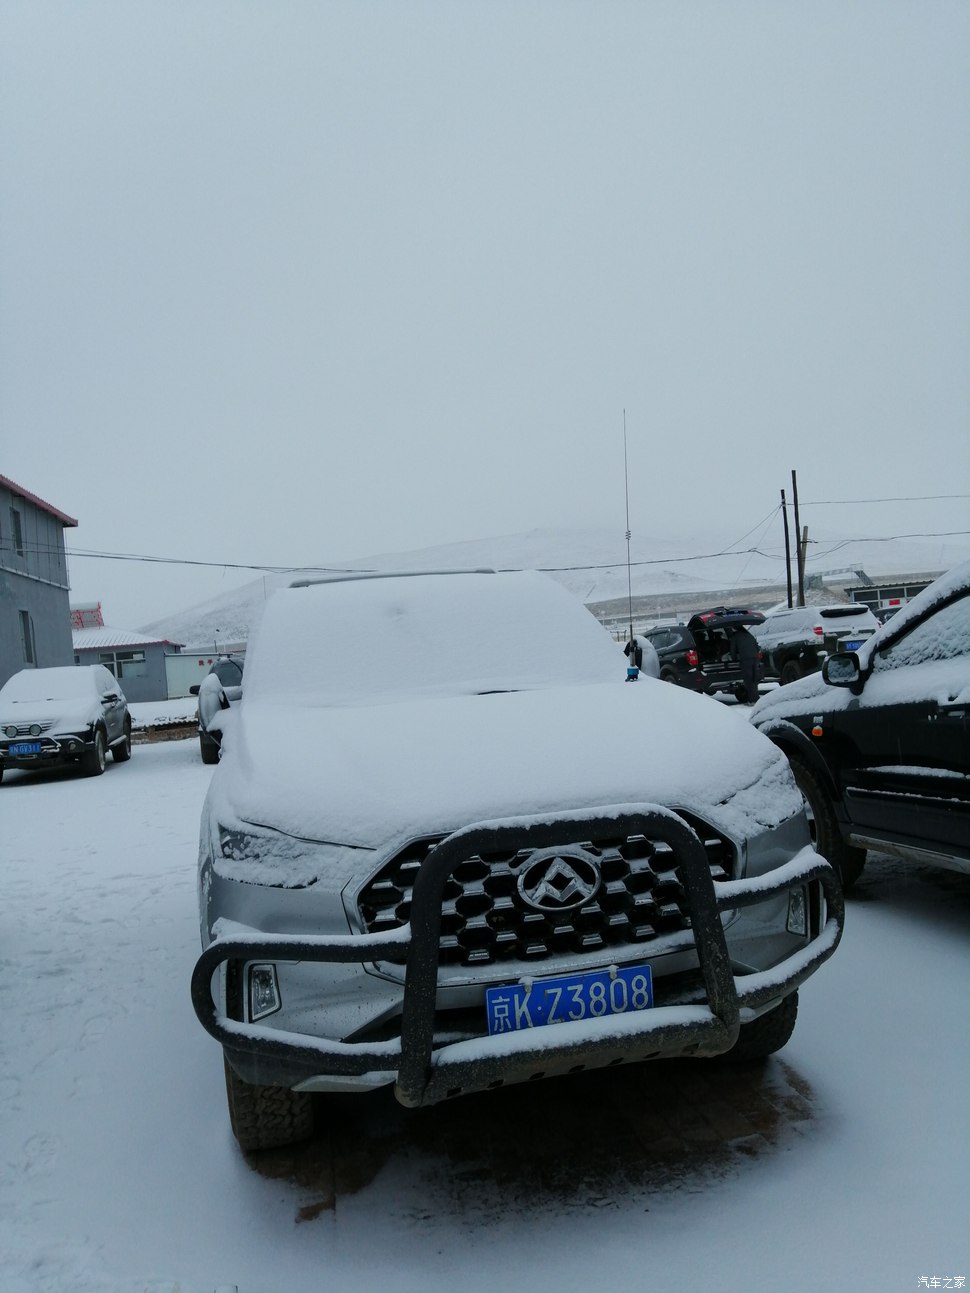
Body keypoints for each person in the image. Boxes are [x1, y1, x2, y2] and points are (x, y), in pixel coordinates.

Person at [728, 624, 761, 703]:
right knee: (754, 679)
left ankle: (753, 700)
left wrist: (734, 660)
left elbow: (733, 650)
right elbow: (757, 647)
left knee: (748, 680)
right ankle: (756, 698)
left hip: (746, 660)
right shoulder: (749, 635)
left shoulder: (735, 636)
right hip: (755, 659)